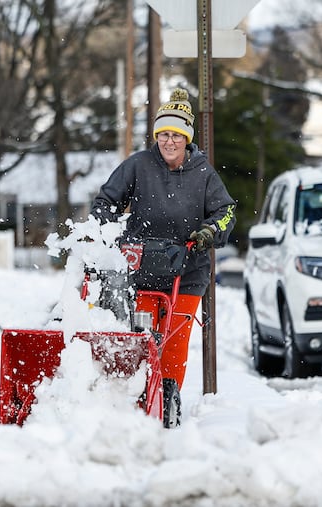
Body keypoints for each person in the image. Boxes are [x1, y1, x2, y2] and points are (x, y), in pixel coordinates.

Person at [90, 88, 236, 391]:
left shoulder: (204, 174)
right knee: (142, 339)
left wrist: (208, 232)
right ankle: (138, 394)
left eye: (177, 135)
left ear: (187, 139)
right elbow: (106, 201)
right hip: (143, 269)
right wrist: (105, 229)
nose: (170, 141)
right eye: (164, 134)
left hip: (187, 271)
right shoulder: (139, 165)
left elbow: (226, 212)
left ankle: (168, 397)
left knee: (174, 343)